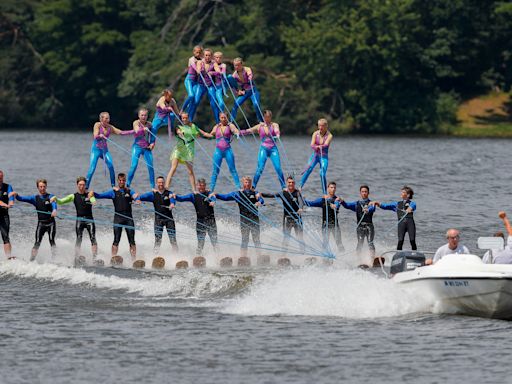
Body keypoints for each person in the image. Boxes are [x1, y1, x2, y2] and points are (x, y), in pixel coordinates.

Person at [92, 173, 140, 260]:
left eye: (123, 180)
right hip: (118, 218)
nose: (122, 182)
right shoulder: (113, 192)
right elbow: (100, 195)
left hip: (129, 218)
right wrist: (92, 193)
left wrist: (137, 199)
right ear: (118, 181)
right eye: (120, 180)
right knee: (116, 239)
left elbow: (135, 196)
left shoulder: (129, 191)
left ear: (125, 181)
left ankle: (134, 259)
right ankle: (113, 257)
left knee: (132, 240)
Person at [214, 176, 264, 258]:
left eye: (249, 182)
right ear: (243, 183)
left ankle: (259, 256)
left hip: (255, 219)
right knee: (245, 239)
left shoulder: (255, 193)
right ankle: (243, 257)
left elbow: (261, 200)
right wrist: (216, 195)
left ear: (251, 183)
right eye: (246, 182)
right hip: (244, 220)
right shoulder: (237, 194)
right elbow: (225, 197)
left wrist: (259, 202)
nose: (247, 184)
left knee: (256, 239)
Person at [51, 176, 98, 264]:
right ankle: (76, 257)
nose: (82, 186)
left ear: (85, 185)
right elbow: (61, 201)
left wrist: (92, 198)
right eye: (80, 185)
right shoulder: (73, 196)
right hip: (79, 220)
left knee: (93, 238)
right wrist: (55, 198)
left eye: (83, 185)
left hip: (89, 220)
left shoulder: (89, 195)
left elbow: (94, 201)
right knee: (79, 238)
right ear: (77, 185)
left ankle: (94, 258)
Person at [11, 179, 58, 261]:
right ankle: (31, 260)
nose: (42, 188)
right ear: (37, 187)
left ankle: (55, 259)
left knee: (51, 240)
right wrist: (16, 195)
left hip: (51, 223)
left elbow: (54, 204)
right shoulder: (34, 198)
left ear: (46, 186)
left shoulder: (50, 196)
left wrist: (54, 210)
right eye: (40, 187)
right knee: (37, 242)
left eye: (44, 186)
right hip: (41, 223)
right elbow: (22, 198)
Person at [165, 112, 211, 191]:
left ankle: (194, 190)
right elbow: (178, 132)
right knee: (173, 168)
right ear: (181, 118)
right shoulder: (179, 126)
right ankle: (166, 187)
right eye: (183, 118)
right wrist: (181, 134)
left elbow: (203, 133)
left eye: (186, 118)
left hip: (189, 151)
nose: (185, 120)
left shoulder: (193, 126)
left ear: (189, 118)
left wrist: (213, 135)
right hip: (179, 149)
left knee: (190, 171)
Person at [240, 110, 285, 189]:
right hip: (263, 149)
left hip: (273, 149)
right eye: (266, 117)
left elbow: (277, 131)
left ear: (271, 117)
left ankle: (284, 187)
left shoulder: (274, 125)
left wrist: (277, 134)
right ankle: (253, 187)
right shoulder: (259, 126)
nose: (267, 119)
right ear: (263, 117)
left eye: (268, 117)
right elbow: (248, 131)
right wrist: (238, 132)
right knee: (260, 168)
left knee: (278, 168)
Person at [174, 178, 217, 256]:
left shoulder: (209, 193)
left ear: (205, 186)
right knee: (201, 242)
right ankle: (198, 257)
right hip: (200, 221)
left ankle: (218, 256)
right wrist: (175, 196)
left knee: (214, 242)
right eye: (200, 185)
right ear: (197, 186)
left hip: (211, 221)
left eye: (203, 185)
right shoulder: (193, 196)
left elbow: (213, 198)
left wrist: (213, 201)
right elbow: (181, 199)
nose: (201, 187)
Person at [261, 176, 305, 252]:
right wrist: (261, 194)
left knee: (300, 237)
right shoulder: (283, 193)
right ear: (286, 183)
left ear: (294, 183)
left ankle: (303, 253)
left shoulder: (297, 193)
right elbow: (271, 195)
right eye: (289, 182)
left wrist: (300, 208)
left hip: (297, 218)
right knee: (286, 237)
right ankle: (283, 255)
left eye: (292, 182)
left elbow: (301, 201)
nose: (291, 184)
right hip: (287, 218)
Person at [85, 112, 126, 189]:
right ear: (101, 119)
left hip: (105, 151)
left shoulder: (110, 127)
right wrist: (99, 136)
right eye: (106, 118)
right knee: (92, 168)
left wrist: (134, 131)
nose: (108, 120)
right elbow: (95, 136)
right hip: (96, 150)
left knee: (111, 166)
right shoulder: (97, 125)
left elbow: (121, 132)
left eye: (109, 118)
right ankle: (86, 187)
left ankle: (113, 186)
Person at [138, 176, 178, 254]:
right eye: (159, 182)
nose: (161, 184)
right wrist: (137, 198)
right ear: (156, 184)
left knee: (173, 239)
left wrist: (172, 204)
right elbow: (140, 197)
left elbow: (172, 200)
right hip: (158, 219)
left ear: (164, 183)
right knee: (158, 240)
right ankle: (155, 256)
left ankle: (177, 256)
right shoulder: (153, 194)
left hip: (169, 219)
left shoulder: (169, 193)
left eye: (162, 182)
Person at [372, 186, 417, 250]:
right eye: (401, 192)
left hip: (410, 223)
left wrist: (410, 208)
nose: (401, 193)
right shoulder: (397, 204)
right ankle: (398, 254)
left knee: (412, 240)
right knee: (400, 241)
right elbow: (385, 206)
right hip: (401, 223)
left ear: (408, 195)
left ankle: (415, 254)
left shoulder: (412, 203)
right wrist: (377, 203)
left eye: (403, 192)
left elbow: (413, 206)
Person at [304, 181, 344, 252]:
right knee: (325, 243)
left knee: (339, 242)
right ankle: (325, 259)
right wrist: (302, 199)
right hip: (325, 225)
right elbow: (310, 203)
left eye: (334, 188)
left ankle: (343, 257)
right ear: (327, 189)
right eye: (331, 187)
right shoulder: (322, 200)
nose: (333, 189)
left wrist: (334, 206)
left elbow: (337, 204)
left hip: (335, 225)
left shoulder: (337, 199)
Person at [339, 185, 376, 257]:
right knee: (360, 244)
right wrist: (342, 201)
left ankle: (373, 259)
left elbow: (373, 209)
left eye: (365, 192)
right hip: (360, 227)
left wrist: (368, 210)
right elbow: (347, 205)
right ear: (360, 193)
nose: (364, 193)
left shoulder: (372, 203)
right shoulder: (356, 204)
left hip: (369, 226)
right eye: (362, 192)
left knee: (370, 243)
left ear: (368, 193)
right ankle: (358, 259)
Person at [208, 112, 241, 191]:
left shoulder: (230, 125)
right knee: (215, 171)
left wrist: (237, 133)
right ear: (219, 118)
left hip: (227, 151)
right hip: (218, 151)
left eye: (225, 117)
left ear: (227, 118)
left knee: (232, 169)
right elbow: (210, 134)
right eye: (222, 117)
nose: (223, 119)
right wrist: (201, 134)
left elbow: (235, 130)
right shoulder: (217, 126)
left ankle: (239, 188)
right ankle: (211, 189)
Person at [124, 108, 155, 189]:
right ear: (139, 116)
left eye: (145, 115)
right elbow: (137, 131)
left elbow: (153, 136)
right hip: (137, 147)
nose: (143, 117)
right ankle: (127, 185)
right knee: (134, 166)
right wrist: (143, 129)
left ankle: (153, 187)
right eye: (142, 115)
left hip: (146, 148)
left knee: (150, 166)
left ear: (147, 116)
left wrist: (152, 144)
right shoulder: (136, 123)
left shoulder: (149, 125)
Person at [300, 118, 333, 194]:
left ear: (326, 126)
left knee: (322, 174)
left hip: (323, 157)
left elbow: (326, 144)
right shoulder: (315, 133)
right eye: (319, 126)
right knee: (309, 169)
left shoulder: (329, 135)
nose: (320, 128)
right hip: (315, 156)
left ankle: (324, 193)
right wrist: (316, 147)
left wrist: (320, 146)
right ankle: (299, 187)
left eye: (322, 126)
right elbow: (312, 144)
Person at [228, 57, 263, 122]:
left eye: (238, 65)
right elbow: (232, 86)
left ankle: (261, 120)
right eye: (235, 65)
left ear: (242, 64)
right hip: (244, 92)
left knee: (256, 104)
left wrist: (250, 76)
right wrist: (237, 91)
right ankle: (231, 121)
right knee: (236, 104)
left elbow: (250, 73)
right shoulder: (235, 75)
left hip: (253, 91)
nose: (237, 67)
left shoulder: (247, 69)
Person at [189, 48, 219, 122]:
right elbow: (198, 70)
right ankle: (189, 120)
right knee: (196, 102)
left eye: (209, 55)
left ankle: (218, 122)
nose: (207, 57)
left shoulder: (214, 63)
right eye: (206, 55)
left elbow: (219, 71)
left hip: (210, 86)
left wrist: (213, 73)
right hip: (201, 85)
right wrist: (199, 70)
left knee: (213, 103)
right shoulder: (200, 62)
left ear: (211, 56)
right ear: (203, 55)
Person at [182, 45, 203, 115]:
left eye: (200, 52)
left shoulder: (202, 60)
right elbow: (194, 66)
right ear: (194, 52)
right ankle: (182, 109)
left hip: (196, 82)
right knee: (191, 95)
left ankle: (188, 115)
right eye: (197, 52)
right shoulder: (191, 59)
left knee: (195, 101)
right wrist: (198, 69)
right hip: (189, 80)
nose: (198, 54)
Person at [0, 171, 14, 259]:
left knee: (5, 237)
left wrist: (11, 202)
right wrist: (4, 204)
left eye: (1, 177)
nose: (0, 179)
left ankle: (8, 257)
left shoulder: (8, 186)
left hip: (4, 216)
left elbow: (11, 195)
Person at [211, 51, 227, 116]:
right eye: (216, 57)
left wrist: (213, 73)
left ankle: (222, 114)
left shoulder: (223, 65)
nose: (218, 59)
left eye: (220, 58)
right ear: (214, 58)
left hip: (220, 86)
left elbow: (222, 72)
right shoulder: (212, 64)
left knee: (221, 103)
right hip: (212, 85)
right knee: (213, 104)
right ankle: (218, 117)